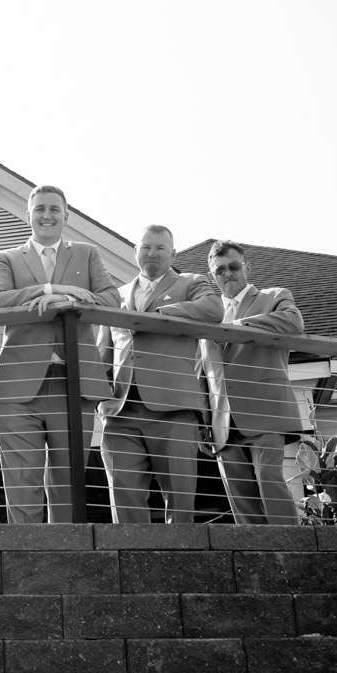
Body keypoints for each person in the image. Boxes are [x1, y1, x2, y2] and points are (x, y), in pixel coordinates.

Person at [0, 184, 121, 523]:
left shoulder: (87, 254)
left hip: (73, 382)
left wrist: (69, 303)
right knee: (21, 483)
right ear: (28, 214)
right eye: (40, 208)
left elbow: (111, 299)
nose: (47, 215)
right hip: (18, 385)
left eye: (54, 209)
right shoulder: (6, 258)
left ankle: (68, 559)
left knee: (69, 484)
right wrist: (51, 289)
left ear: (66, 215)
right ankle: (23, 558)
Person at [99, 224, 223, 523]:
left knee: (180, 504)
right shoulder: (117, 296)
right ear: (136, 252)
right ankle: (129, 564)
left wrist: (161, 315)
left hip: (174, 407)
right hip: (120, 410)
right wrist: (101, 402)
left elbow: (213, 309)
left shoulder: (191, 283)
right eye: (146, 247)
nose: (152, 253)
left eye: (160, 248)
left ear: (173, 253)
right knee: (124, 502)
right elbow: (103, 351)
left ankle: (180, 564)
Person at [204, 240, 306, 524]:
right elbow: (204, 372)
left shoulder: (274, 296)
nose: (227, 274)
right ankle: (257, 558)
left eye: (234, 266)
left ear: (247, 267)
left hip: (266, 410)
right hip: (223, 420)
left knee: (269, 482)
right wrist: (203, 420)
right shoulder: (208, 314)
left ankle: (295, 551)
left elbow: (293, 322)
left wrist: (236, 328)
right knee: (240, 498)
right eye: (220, 270)